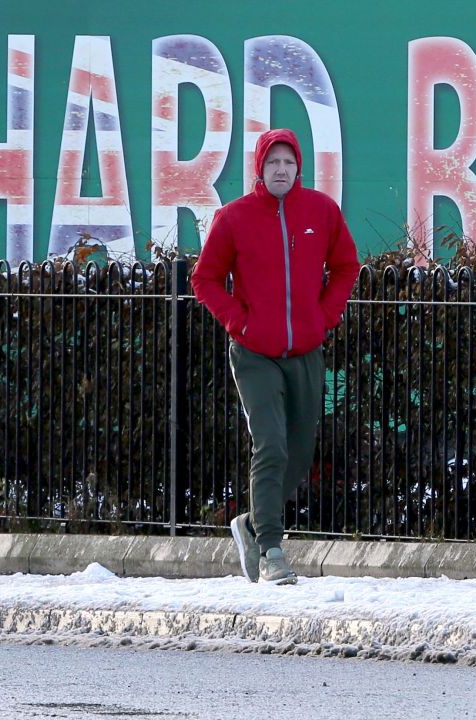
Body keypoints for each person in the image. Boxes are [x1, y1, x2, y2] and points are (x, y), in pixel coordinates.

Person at [191, 128, 359, 585]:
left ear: (298, 166)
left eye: (288, 162)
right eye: (272, 163)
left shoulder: (321, 211)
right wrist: (238, 323)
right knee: (271, 444)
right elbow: (204, 279)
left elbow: (346, 265)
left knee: (300, 453)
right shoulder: (234, 218)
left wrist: (324, 317)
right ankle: (271, 549)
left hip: (305, 349)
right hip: (254, 353)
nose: (281, 170)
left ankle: (249, 523)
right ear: (259, 170)